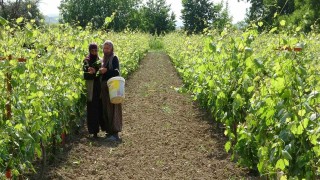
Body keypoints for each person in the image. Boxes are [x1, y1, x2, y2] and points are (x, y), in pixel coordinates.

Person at [99, 40, 123, 141]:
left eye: (108, 48)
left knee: (114, 109)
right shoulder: (103, 60)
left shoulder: (114, 58)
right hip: (105, 89)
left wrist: (106, 71)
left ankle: (115, 133)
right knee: (106, 109)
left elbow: (116, 72)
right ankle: (109, 132)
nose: (106, 50)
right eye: (105, 48)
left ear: (112, 49)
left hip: (113, 88)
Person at [83, 43, 105, 138]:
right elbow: (86, 75)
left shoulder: (100, 60)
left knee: (100, 109)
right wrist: (94, 73)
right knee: (92, 110)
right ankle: (93, 131)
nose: (94, 52)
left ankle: (101, 130)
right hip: (91, 89)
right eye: (92, 51)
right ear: (89, 51)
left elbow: (102, 73)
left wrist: (95, 72)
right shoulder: (86, 61)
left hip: (99, 88)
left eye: (95, 50)